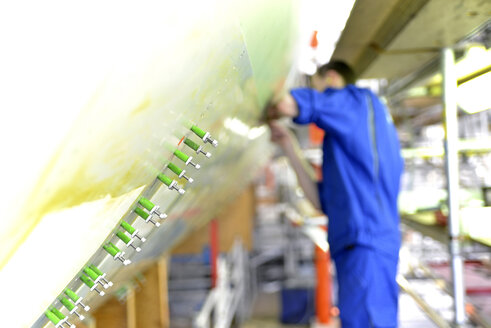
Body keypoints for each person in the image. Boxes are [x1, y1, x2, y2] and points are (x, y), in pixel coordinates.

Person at [268, 60, 404, 328]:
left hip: (366, 247)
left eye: (317, 87)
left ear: (331, 78)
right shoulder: (352, 134)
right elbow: (322, 202)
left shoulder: (355, 103)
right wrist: (288, 144)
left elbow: (286, 105)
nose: (320, 95)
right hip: (360, 248)